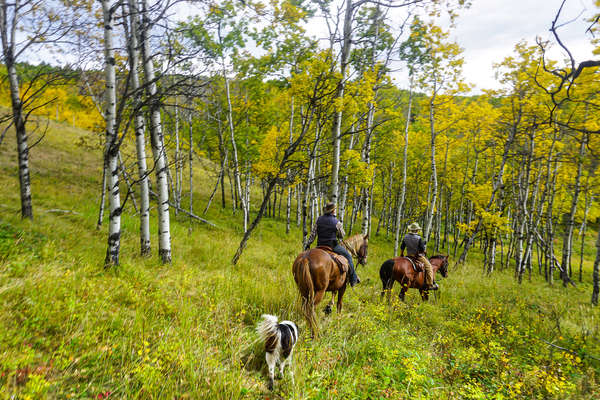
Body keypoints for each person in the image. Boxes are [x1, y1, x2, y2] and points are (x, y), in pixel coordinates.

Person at [304, 202, 359, 287]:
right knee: (348, 256)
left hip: (320, 246)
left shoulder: (318, 219)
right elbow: (342, 235)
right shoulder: (336, 222)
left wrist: (308, 244)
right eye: (335, 209)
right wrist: (337, 234)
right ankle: (353, 278)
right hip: (332, 246)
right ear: (333, 210)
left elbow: (313, 234)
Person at [400, 222, 438, 290]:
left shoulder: (405, 237)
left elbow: (402, 247)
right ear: (417, 230)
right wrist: (424, 251)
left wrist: (401, 254)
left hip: (408, 255)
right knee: (429, 267)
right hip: (417, 257)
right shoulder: (418, 238)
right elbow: (422, 250)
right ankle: (430, 284)